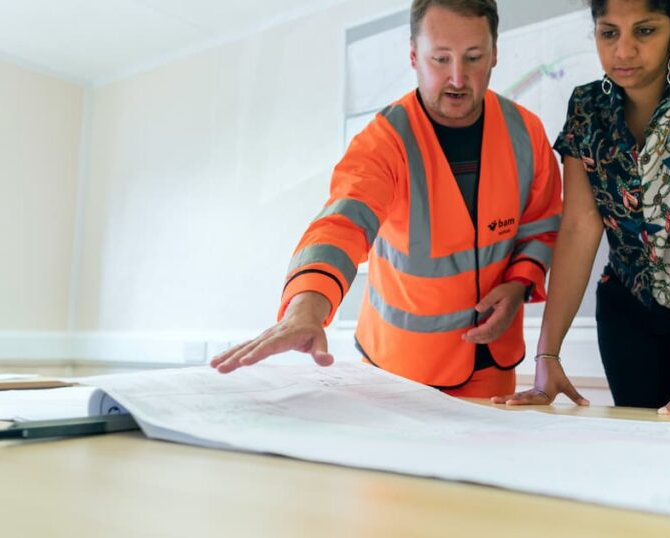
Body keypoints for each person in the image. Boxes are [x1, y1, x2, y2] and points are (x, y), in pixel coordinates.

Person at [211, 0, 567, 400]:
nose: (457, 77)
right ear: (413, 55)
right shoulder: (383, 142)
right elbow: (342, 224)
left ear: (495, 54)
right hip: (399, 371)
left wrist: (520, 284)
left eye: (473, 57)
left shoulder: (527, 133)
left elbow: (542, 224)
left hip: (492, 366)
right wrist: (306, 308)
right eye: (440, 58)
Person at [492, 0, 670, 422]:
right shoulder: (588, 107)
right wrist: (547, 354)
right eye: (609, 33)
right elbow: (578, 226)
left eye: (644, 31)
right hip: (631, 315)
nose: (623, 51)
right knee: (647, 466)